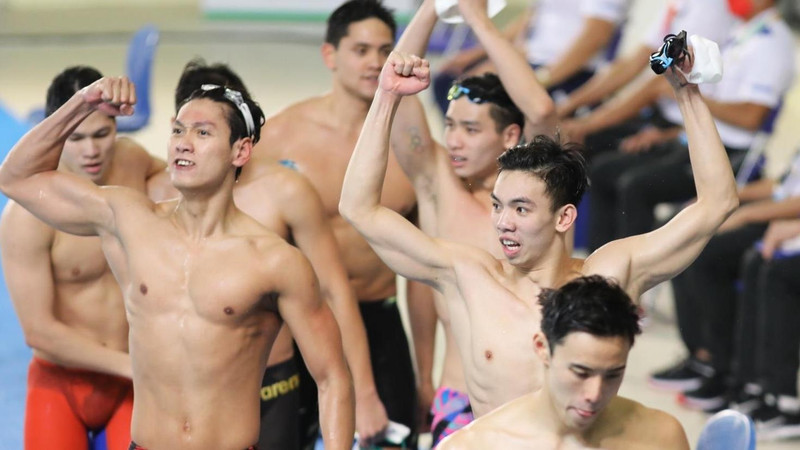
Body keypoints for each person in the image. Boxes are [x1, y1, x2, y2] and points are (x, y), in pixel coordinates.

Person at [339, 28, 739, 420]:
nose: (502, 223)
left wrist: (686, 92)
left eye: (521, 209)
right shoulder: (468, 277)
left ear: (564, 216)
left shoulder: (609, 277)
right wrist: (386, 97)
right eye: (498, 206)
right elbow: (359, 208)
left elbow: (717, 202)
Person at [0, 76, 354, 448]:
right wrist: (83, 103)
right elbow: (17, 178)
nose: (183, 143)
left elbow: (332, 378)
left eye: (203, 133)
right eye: (178, 131)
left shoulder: (275, 261)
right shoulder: (130, 219)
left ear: (240, 151)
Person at [173, 58, 388, 449]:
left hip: (274, 382)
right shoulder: (158, 192)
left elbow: (334, 292)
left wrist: (365, 392)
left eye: (206, 130)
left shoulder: (286, 191)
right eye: (185, 128)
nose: (190, 141)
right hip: (187, 392)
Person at [385, 0, 554, 445]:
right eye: (451, 125)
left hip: (534, 401)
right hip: (457, 399)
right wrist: (431, 9)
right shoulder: (439, 182)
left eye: (471, 129)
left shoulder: (539, 186)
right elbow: (396, 85)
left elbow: (540, 109)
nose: (454, 141)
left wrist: (477, 16)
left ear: (510, 137)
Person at [251, 1, 419, 446]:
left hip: (381, 322)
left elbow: (424, 278)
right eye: (360, 49)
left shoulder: (407, 146)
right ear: (330, 55)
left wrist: (428, 369)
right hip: (302, 322)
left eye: (385, 49)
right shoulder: (282, 136)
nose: (375, 62)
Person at [0, 65, 169, 450]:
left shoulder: (131, 161)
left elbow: (187, 191)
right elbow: (38, 331)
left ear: (117, 130)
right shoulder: (27, 215)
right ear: (57, 130)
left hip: (135, 379)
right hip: (64, 383)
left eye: (101, 134)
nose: (91, 151)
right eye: (76, 138)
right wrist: (132, 367)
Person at [437, 275, 690, 450]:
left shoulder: (661, 438)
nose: (595, 394)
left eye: (613, 375)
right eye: (581, 372)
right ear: (542, 348)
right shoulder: (476, 446)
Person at [431, 0, 631, 114]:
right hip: (531, 59)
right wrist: (473, 55)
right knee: (447, 81)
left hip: (567, 72)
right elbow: (528, 20)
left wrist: (539, 78)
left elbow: (596, 36)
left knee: (475, 95)